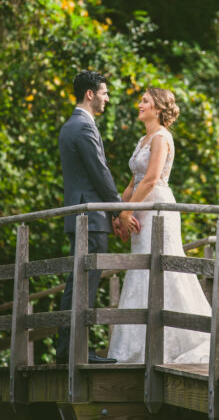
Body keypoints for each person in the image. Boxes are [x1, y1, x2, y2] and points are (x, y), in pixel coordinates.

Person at [108, 87, 219, 365]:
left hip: (157, 209)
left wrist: (128, 211)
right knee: (140, 271)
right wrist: (117, 214)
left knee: (165, 271)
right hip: (141, 207)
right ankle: (136, 348)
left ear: (158, 109)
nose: (139, 105)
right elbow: (133, 183)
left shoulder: (162, 138)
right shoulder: (142, 139)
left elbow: (151, 180)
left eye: (145, 101)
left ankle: (175, 342)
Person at [56, 70, 139, 364]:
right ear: (90, 94)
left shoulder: (71, 125)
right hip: (89, 219)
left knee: (76, 283)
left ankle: (67, 350)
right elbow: (100, 174)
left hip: (81, 216)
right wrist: (120, 211)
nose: (107, 98)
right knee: (84, 285)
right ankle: (77, 352)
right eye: (104, 92)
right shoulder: (83, 127)